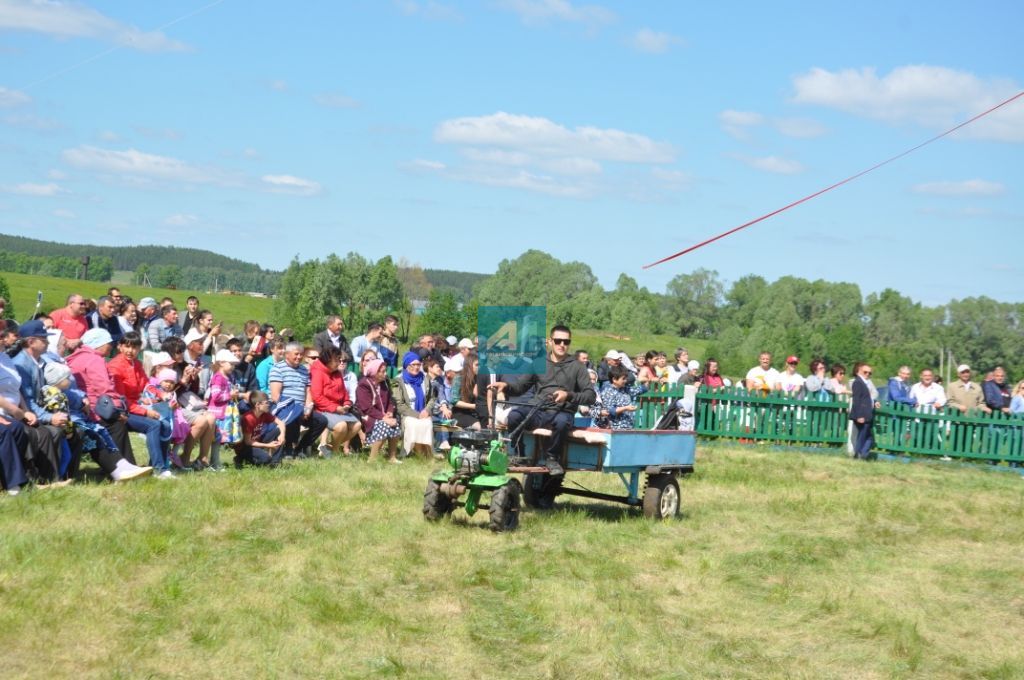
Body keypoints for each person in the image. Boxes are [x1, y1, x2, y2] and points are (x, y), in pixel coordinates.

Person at [496, 325, 595, 476]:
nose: (562, 345)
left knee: (562, 422)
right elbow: (520, 386)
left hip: (562, 411)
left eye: (566, 342)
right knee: (514, 415)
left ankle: (552, 458)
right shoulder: (538, 362)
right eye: (558, 341)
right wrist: (506, 386)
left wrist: (568, 395)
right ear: (550, 341)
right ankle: (519, 454)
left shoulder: (577, 366)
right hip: (538, 410)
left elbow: (590, 396)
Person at [41, 360, 153, 483]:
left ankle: (123, 464)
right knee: (94, 437)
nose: (70, 380)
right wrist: (80, 403)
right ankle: (117, 471)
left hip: (76, 420)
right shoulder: (54, 394)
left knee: (103, 433)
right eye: (67, 378)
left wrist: (83, 398)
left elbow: (74, 394)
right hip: (69, 424)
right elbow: (63, 412)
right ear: (58, 380)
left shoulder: (61, 391)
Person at [11, 320, 73, 484]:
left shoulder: (36, 362)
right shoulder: (21, 365)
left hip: (32, 412)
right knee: (52, 431)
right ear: (31, 342)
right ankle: (49, 479)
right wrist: (49, 417)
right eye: (44, 339)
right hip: (22, 415)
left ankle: (62, 474)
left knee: (69, 431)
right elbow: (28, 401)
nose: (47, 342)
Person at [105, 331, 171, 477]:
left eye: (134, 347)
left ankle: (161, 464)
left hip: (135, 406)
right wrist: (145, 411)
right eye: (127, 346)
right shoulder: (115, 367)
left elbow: (146, 385)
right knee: (154, 425)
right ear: (120, 347)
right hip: (121, 411)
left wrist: (161, 394)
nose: (130, 351)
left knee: (166, 424)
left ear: (139, 348)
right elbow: (120, 399)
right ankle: (159, 469)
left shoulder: (137, 364)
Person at [268, 341, 327, 457]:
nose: (299, 357)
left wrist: (308, 408)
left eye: (301, 354)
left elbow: (308, 391)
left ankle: (301, 448)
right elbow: (275, 396)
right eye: (296, 354)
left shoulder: (304, 370)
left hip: (301, 408)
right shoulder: (277, 369)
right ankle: (288, 448)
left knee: (321, 421)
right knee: (293, 416)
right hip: (283, 408)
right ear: (287, 354)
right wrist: (296, 409)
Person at [309, 345, 361, 457]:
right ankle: (334, 452)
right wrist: (335, 408)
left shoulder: (337, 373)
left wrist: (347, 403)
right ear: (328, 359)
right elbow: (317, 397)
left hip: (339, 409)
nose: (339, 362)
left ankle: (330, 448)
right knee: (341, 426)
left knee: (357, 425)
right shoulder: (318, 372)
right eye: (337, 360)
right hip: (323, 409)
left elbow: (344, 392)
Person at [0, 320, 30, 494]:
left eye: (4, 336)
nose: (4, 339)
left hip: (11, 409)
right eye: (0, 336)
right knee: (4, 431)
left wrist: (24, 410)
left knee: (17, 428)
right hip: (4, 409)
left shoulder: (5, 357)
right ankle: (13, 483)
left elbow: (16, 387)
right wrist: (16, 411)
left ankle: (8, 479)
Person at [354, 358, 402, 463]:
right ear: (375, 372)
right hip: (367, 415)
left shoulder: (383, 383)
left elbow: (390, 401)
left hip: (382, 414)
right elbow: (366, 408)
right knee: (384, 425)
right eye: (383, 371)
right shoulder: (364, 385)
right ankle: (372, 458)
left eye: (385, 371)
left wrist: (389, 412)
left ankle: (392, 457)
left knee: (395, 424)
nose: (385, 374)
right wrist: (384, 418)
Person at [393, 351, 435, 458]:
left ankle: (427, 453)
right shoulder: (398, 381)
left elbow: (432, 398)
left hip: (423, 412)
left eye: (418, 364)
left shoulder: (425, 378)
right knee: (413, 423)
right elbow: (399, 404)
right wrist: (417, 415)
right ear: (407, 365)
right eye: (413, 365)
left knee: (427, 423)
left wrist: (426, 410)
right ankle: (411, 452)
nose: (416, 367)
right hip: (407, 414)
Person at [235, 391, 286, 467]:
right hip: (246, 447)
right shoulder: (248, 418)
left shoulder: (264, 414)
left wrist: (282, 435)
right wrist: (268, 445)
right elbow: (248, 442)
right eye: (266, 403)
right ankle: (240, 458)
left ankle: (275, 462)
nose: (269, 405)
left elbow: (281, 423)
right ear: (258, 405)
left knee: (278, 431)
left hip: (257, 441)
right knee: (266, 459)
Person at [596, 364, 642, 430]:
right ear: (614, 379)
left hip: (628, 426)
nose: (626, 381)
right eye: (623, 379)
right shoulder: (608, 392)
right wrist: (626, 408)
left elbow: (639, 390)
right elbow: (611, 411)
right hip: (615, 428)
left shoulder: (625, 389)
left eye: (626, 378)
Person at [849, 362, 879, 460]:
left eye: (870, 373)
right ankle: (858, 454)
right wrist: (859, 416)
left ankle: (862, 454)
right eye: (865, 372)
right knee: (863, 436)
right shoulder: (858, 382)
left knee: (867, 436)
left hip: (867, 413)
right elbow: (856, 400)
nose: (868, 374)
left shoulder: (865, 383)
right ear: (858, 372)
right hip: (862, 414)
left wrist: (874, 402)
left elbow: (868, 397)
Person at [451, 352, 482, 429]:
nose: (480, 367)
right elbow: (454, 401)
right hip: (460, 413)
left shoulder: (479, 378)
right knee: (479, 427)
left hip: (476, 412)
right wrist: (474, 406)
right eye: (477, 365)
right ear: (469, 365)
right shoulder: (459, 378)